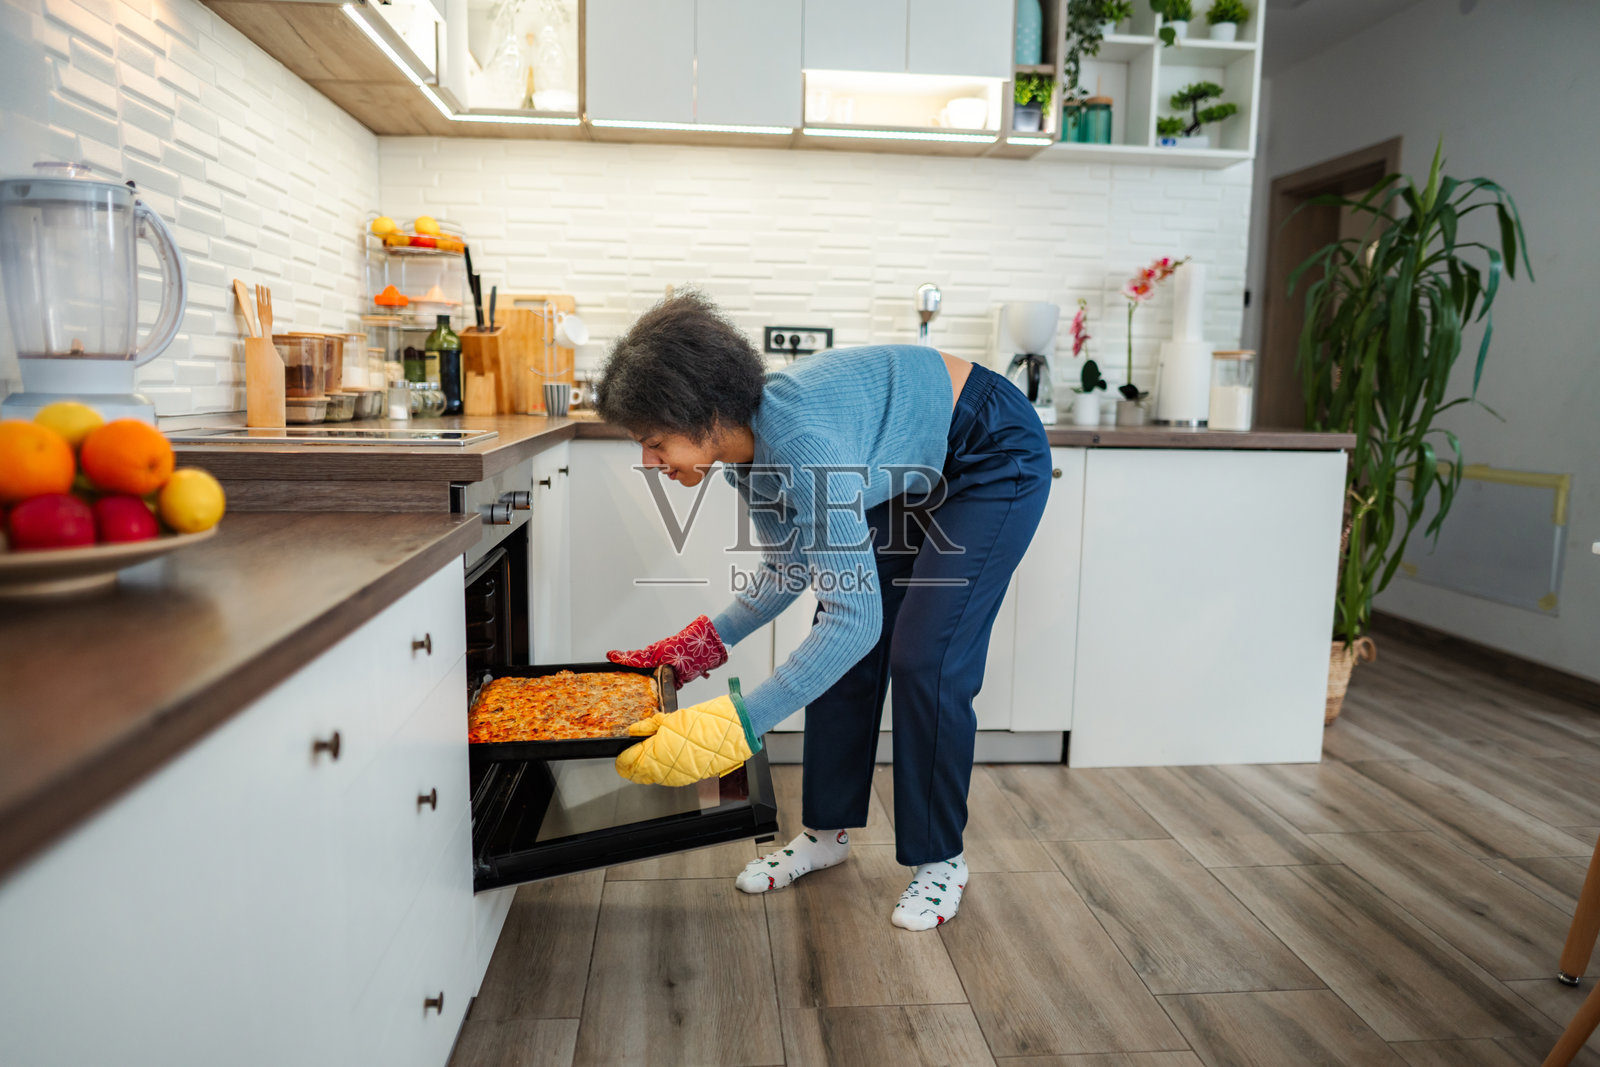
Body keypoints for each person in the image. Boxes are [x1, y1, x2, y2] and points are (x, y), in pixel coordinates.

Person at [595, 291, 1050, 930]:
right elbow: (788, 571)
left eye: (654, 441)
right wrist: (687, 653)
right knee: (839, 649)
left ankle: (942, 860)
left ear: (701, 415)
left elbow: (855, 618)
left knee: (925, 656)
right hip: (913, 463)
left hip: (988, 452)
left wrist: (736, 728)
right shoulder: (746, 460)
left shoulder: (803, 444)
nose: (649, 462)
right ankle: (825, 835)